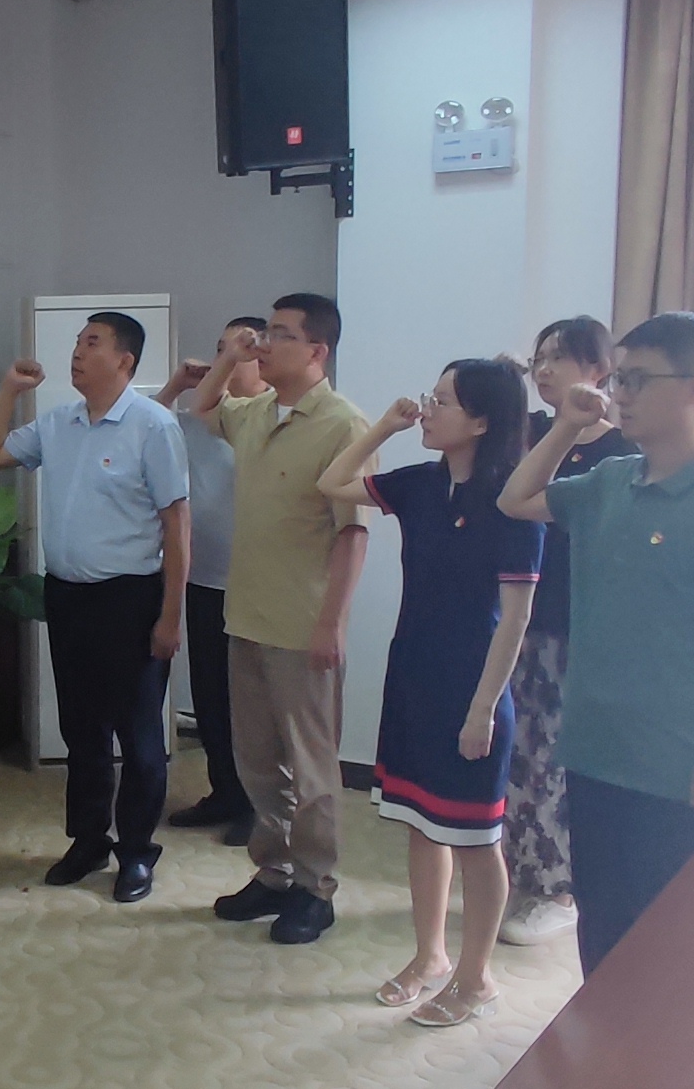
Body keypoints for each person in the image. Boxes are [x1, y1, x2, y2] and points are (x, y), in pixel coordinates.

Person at [499, 312, 694, 980]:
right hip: (595, 749)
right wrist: (565, 426)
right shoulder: (610, 482)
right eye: (618, 379)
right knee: (602, 924)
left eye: (636, 380)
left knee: (672, 943)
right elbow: (516, 498)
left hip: (676, 764)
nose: (619, 394)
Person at [321, 360, 541, 1027]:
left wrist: (482, 710)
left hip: (473, 686)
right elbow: (330, 481)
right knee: (422, 825)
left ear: (481, 420)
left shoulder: (513, 501)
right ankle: (430, 957)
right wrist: (383, 428)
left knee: (475, 838)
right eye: (430, 396)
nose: (427, 408)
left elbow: (516, 619)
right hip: (413, 673)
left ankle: (477, 978)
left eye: (442, 401)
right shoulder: (420, 484)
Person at [0, 312, 189, 902]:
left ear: (124, 360)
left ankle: (137, 851)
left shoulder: (153, 425)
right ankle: (89, 839)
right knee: (81, 727)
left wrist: (171, 615)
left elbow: (178, 525)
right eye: (76, 341)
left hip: (131, 599)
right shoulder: (58, 421)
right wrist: (9, 390)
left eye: (91, 342)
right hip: (68, 595)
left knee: (138, 735)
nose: (76, 351)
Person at [180, 293, 369, 946]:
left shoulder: (345, 425)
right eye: (265, 332)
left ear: (317, 350)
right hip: (247, 616)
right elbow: (204, 406)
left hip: (303, 625)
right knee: (259, 763)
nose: (265, 343)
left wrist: (333, 623)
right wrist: (229, 356)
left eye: (281, 334)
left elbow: (352, 535)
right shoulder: (256, 412)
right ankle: (274, 873)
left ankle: (316, 889)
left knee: (311, 770)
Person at [499, 317, 636, 946]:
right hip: (516, 616)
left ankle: (559, 889)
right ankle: (521, 874)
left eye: (560, 357)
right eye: (540, 357)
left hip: (575, 624)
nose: (545, 369)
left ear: (600, 370)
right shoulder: (531, 435)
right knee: (517, 752)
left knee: (554, 757)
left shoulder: (620, 453)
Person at [158, 318, 266, 839]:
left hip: (255, 584)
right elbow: (141, 428)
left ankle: (258, 806)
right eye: (220, 348)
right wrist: (175, 386)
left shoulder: (271, 417)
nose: (224, 357)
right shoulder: (198, 420)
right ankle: (225, 791)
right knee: (210, 697)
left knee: (253, 705)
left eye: (238, 349)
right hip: (202, 581)